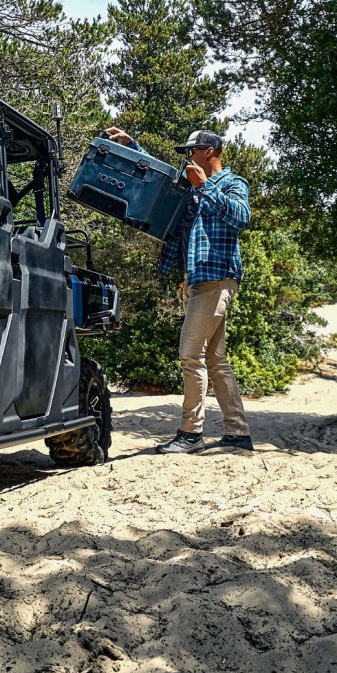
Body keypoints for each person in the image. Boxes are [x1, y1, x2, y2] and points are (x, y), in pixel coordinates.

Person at [103, 126, 254, 454]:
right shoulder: (190, 187)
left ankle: (191, 434)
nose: (187, 157)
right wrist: (133, 145)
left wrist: (206, 186)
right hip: (200, 281)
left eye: (192, 150)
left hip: (216, 280)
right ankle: (238, 434)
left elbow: (241, 217)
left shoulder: (231, 183)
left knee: (190, 356)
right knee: (215, 360)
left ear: (210, 152)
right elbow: (158, 181)